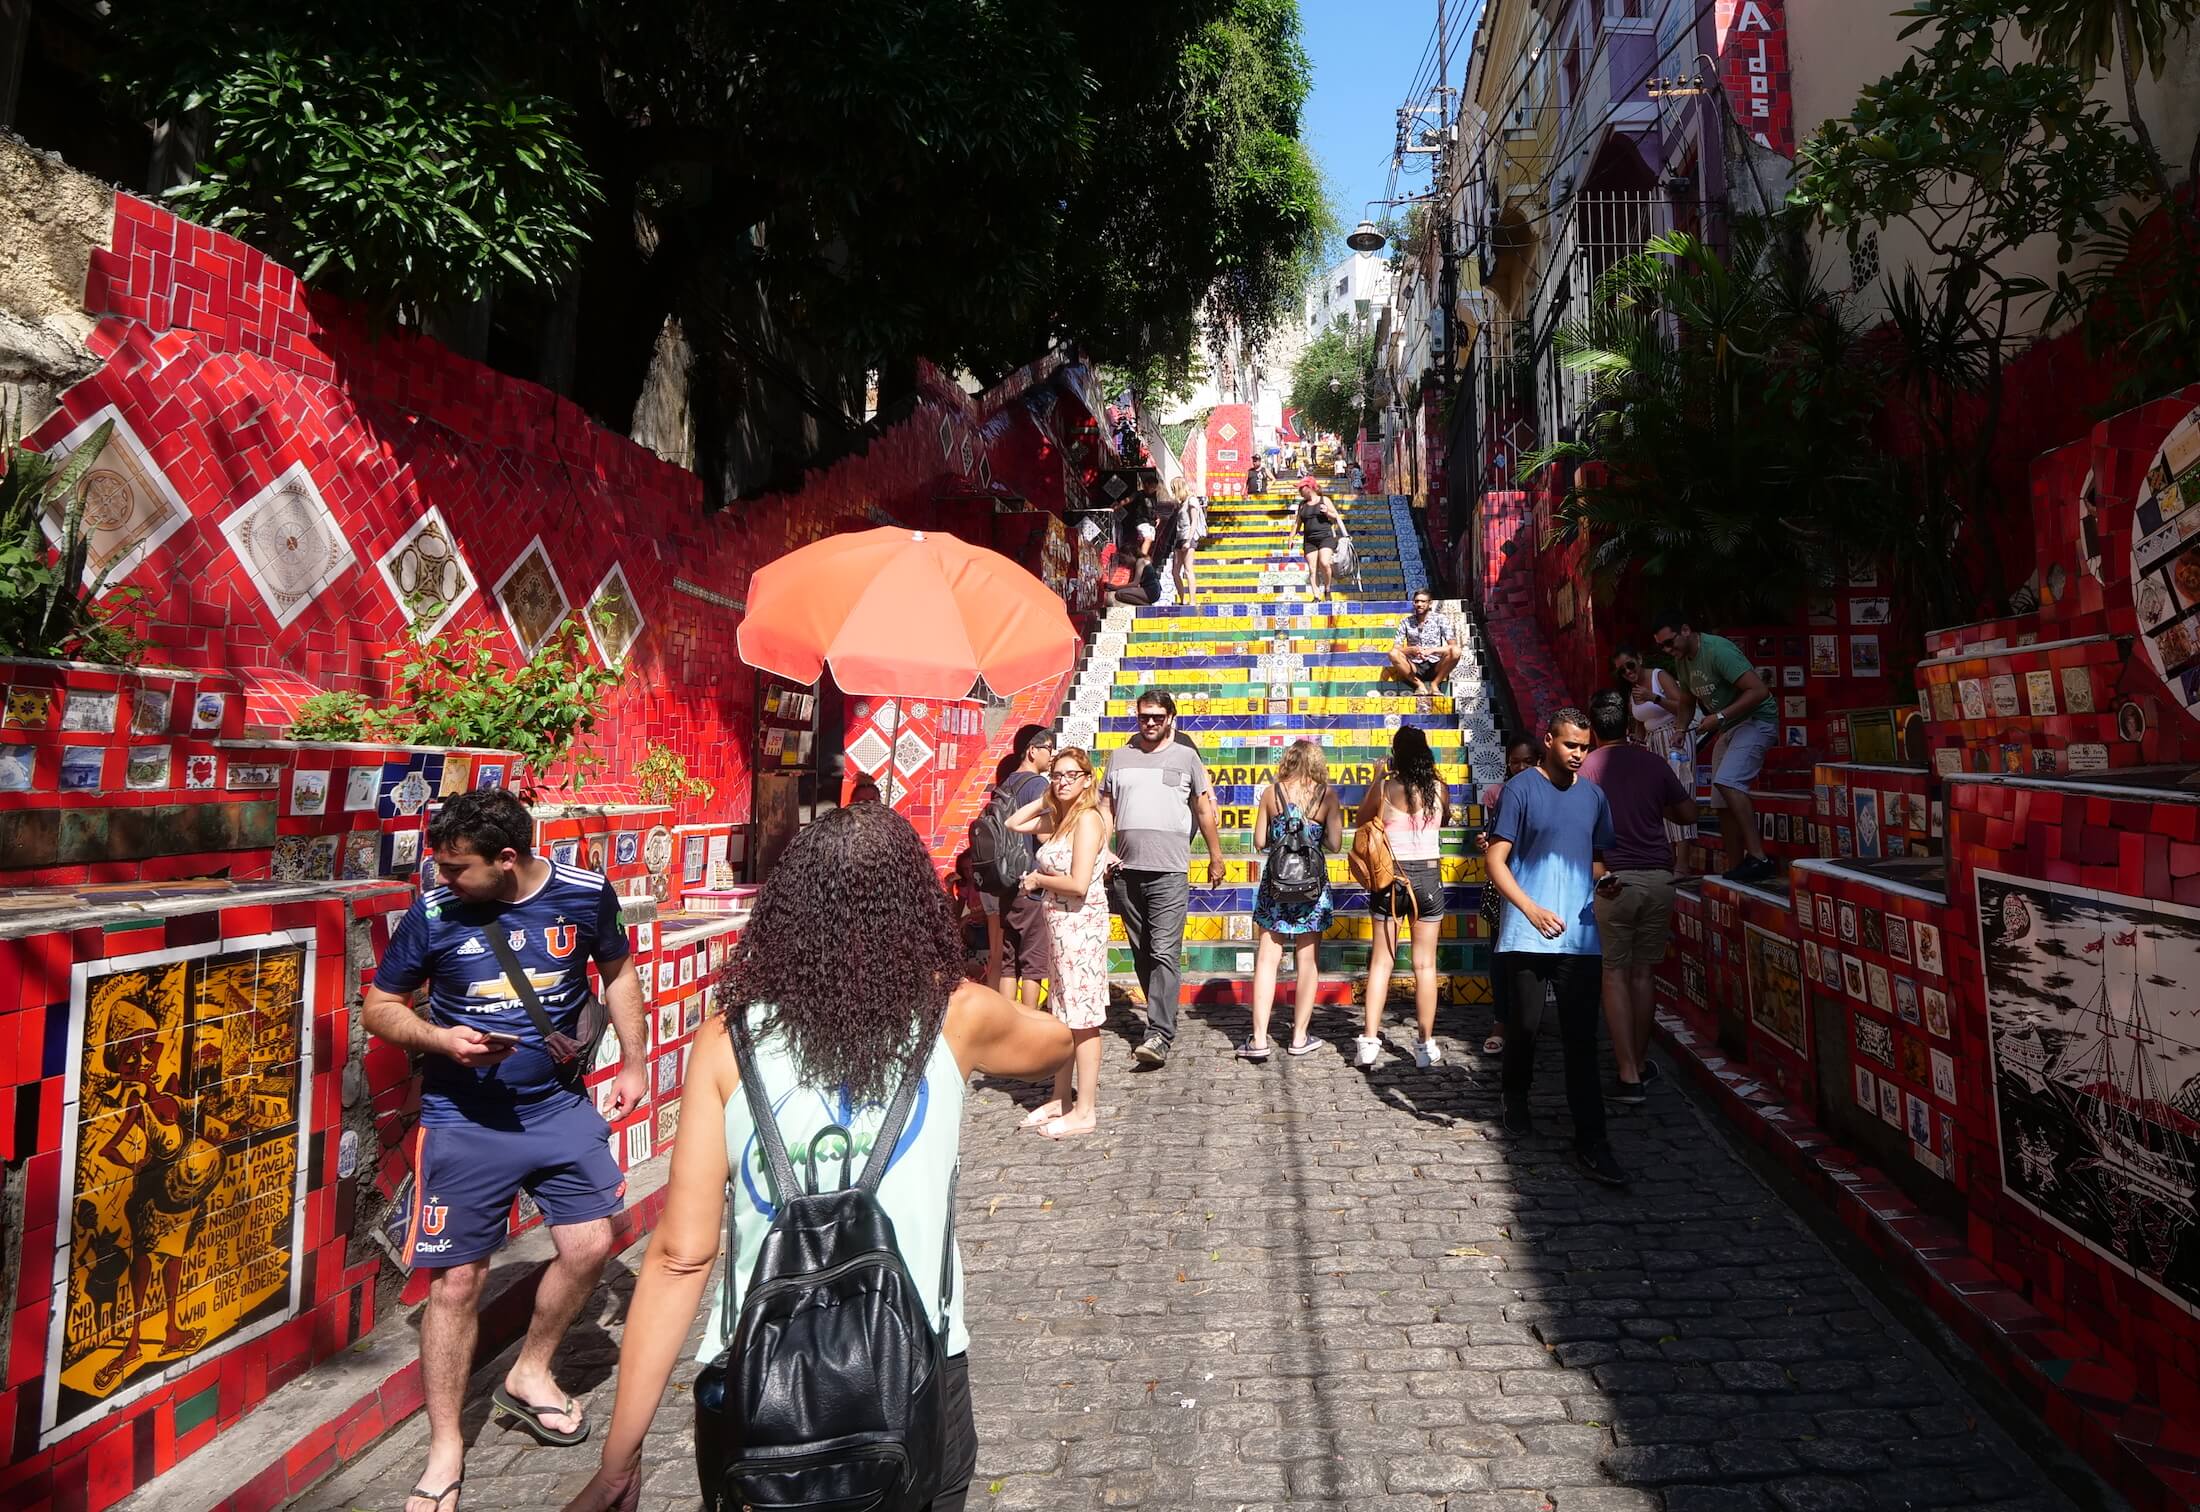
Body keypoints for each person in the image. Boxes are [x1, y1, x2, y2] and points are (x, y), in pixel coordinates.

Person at [557, 805, 1072, 1512]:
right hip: (916, 1368)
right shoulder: (957, 1016)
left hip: (756, 1380)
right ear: (914, 907)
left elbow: (680, 1257)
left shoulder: (724, 1039)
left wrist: (620, 1459)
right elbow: (1055, 1041)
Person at [363, 789, 649, 1512]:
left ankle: (530, 1371)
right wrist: (439, 1039)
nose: (442, 878)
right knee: (456, 1285)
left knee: (590, 1244)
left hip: (557, 1106)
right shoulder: (432, 914)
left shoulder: (585, 896)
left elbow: (616, 970)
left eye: (457, 867)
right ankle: (446, 1447)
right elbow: (381, 1006)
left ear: (508, 858)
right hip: (464, 1118)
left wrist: (636, 1063)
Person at [1484, 708, 1627, 1188]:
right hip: (1527, 935)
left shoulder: (1593, 796)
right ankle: (1515, 1096)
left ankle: (1592, 1137)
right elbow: (1495, 860)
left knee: (1582, 1040)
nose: (1578, 755)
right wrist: (1529, 909)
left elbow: (1597, 861)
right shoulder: (1521, 790)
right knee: (1524, 1030)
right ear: (1548, 741)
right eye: (1570, 745)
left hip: (1579, 939)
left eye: (1584, 747)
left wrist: (1605, 883)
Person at [1579, 692, 1698, 1104]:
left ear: (1593, 730)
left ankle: (1627, 1072)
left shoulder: (1586, 768)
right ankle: (1641, 1060)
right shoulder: (1653, 762)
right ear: (1629, 725)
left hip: (1614, 879)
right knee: (1645, 974)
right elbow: (1687, 814)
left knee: (1614, 974)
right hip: (1659, 878)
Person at [1099, 689, 1226, 1067]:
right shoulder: (1119, 758)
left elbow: (1203, 809)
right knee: (1142, 952)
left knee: (1164, 952)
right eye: (1144, 716)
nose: (1150, 722)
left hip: (1170, 870)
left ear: (1171, 717)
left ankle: (1159, 1033)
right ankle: (1159, 1020)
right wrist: (1103, 848)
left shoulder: (1186, 757)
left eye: (1157, 716)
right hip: (1125, 869)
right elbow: (1107, 807)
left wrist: (1216, 856)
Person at [1007, 746, 1112, 1137]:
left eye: (1072, 775)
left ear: (1088, 779)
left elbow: (1078, 883)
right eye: (1057, 774)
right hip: (1060, 929)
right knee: (1063, 1015)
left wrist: (1037, 880)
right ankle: (1061, 1097)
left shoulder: (1087, 820)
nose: (1063, 781)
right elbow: (1014, 823)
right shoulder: (1064, 818)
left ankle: (1085, 1110)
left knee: (1083, 1021)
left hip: (1080, 929)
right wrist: (1049, 795)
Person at [1649, 611, 1776, 883]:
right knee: (1719, 798)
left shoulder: (1717, 650)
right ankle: (1738, 865)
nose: (1668, 650)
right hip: (1730, 727)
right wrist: (1680, 731)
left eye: (1670, 643)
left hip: (1756, 720)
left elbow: (1759, 691)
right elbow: (1686, 701)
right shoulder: (1683, 660)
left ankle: (1759, 858)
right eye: (1661, 647)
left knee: (1729, 782)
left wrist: (1719, 717)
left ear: (1685, 630)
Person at [1355, 726, 1455, 1069]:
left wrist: (1380, 776)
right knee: (1425, 965)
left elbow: (1361, 820)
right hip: (1429, 877)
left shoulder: (1385, 787)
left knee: (1382, 962)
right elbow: (1442, 823)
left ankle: (1368, 1041)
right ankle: (1425, 1043)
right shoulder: (1439, 789)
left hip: (1391, 879)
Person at [1243, 740, 1343, 1059]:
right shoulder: (1326, 795)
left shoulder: (1272, 794)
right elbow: (1337, 844)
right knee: (1307, 962)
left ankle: (1259, 1039)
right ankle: (1299, 1036)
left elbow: (1260, 841)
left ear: (1287, 761)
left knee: (1267, 960)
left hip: (1276, 885)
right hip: (1312, 889)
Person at [1612, 644, 1697, 875]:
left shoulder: (1658, 676)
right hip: (1652, 742)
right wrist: (1636, 749)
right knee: (1660, 798)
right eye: (1622, 670)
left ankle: (1683, 862)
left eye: (1630, 665)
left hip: (1675, 736)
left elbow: (1684, 705)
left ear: (1639, 658)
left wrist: (1654, 697)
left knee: (1681, 792)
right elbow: (1640, 725)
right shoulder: (1633, 690)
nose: (1628, 672)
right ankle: (1668, 857)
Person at [1476, 738, 1538, 1056]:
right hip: (1502, 885)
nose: (1521, 767)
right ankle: (1501, 1021)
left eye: (1528, 761)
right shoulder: (1497, 795)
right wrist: (1488, 844)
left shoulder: (1550, 793)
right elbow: (1496, 836)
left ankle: (1529, 1022)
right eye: (1516, 761)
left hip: (1537, 884)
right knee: (1499, 957)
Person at [989, 726, 1056, 1007]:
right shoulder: (1038, 786)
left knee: (1008, 961)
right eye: (1048, 749)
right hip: (1030, 880)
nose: (1052, 756)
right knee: (1032, 963)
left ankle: (1007, 1021)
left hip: (1004, 881)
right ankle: (1029, 1023)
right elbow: (1043, 835)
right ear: (1032, 751)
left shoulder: (1004, 785)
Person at [1386, 589, 1465, 694]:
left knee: (1456, 651)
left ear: (1430, 603)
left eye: (1423, 601)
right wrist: (1410, 650)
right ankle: (1419, 685)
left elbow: (1452, 646)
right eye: (1417, 601)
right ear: (1413, 603)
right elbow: (1396, 648)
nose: (1419, 604)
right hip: (1413, 666)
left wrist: (1431, 650)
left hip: (1436, 664)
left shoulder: (1440, 619)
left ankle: (1435, 684)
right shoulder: (1405, 622)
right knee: (1393, 654)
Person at [1295, 478, 1344, 599]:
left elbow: (1335, 517)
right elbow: (1297, 522)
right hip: (1309, 540)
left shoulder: (1324, 500)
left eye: (1301, 488)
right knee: (1312, 569)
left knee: (1324, 563)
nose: (1299, 491)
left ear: (1309, 488)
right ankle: (1316, 595)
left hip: (1325, 538)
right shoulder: (1302, 505)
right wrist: (1291, 537)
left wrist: (1327, 512)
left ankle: (1327, 589)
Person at [1170, 491, 1207, 606]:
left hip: (1188, 537)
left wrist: (1189, 540)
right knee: (1175, 571)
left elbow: (1194, 521)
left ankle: (1192, 600)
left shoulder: (1192, 501)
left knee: (1188, 569)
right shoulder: (1181, 503)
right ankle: (1182, 599)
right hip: (1179, 537)